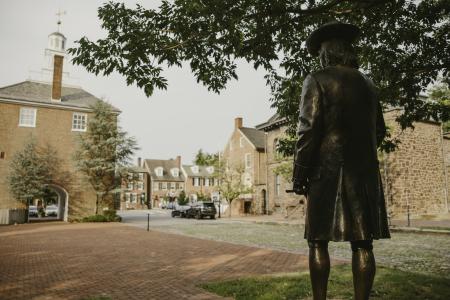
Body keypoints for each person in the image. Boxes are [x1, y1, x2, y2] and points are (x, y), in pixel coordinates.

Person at [292, 21, 390, 300]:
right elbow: (379, 130)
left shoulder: (317, 79)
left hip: (327, 172)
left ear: (327, 53)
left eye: (320, 51)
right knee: (363, 243)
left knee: (317, 241)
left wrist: (300, 175)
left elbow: (307, 130)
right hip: (364, 173)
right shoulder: (368, 84)